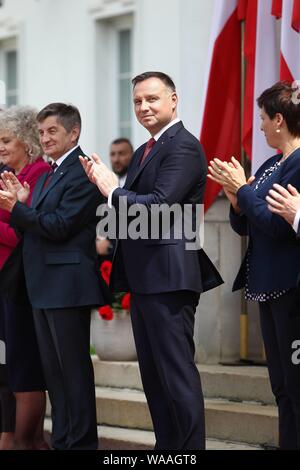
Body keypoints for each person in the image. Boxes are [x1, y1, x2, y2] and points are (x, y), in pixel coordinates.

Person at [80, 71, 223, 450]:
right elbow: (132, 214)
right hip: (146, 278)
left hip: (170, 277)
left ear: (173, 100)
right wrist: (106, 187)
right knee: (155, 379)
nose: (143, 107)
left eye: (152, 99)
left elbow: (159, 206)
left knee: (175, 376)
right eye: (137, 101)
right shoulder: (148, 148)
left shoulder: (183, 146)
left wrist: (112, 191)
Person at [0, 103, 109, 450]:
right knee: (56, 378)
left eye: (53, 132)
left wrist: (17, 209)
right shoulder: (49, 174)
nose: (45, 138)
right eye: (42, 132)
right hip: (43, 287)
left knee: (73, 376)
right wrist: (24, 205)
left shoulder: (82, 172)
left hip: (68, 287)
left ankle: (79, 444)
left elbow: (60, 226)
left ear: (73, 133)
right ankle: (63, 441)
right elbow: (39, 225)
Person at [208, 81, 300, 450]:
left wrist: (244, 193)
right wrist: (235, 200)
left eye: (263, 118)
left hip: (290, 286)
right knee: (280, 385)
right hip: (266, 283)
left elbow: (279, 226)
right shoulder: (269, 165)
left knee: (295, 384)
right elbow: (247, 223)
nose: (259, 126)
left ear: (279, 119)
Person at [0, 106, 50, 449]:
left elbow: (23, 234)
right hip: (7, 282)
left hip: (23, 285)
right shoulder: (8, 174)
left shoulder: (38, 173)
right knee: (8, 369)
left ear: (27, 142)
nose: (0, 147)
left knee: (24, 367)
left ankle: (25, 441)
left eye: (6, 140)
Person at [96, 138, 133, 258]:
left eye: (121, 154)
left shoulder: (137, 185)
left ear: (132, 155)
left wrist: (110, 245)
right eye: (113, 154)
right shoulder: (102, 185)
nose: (116, 159)